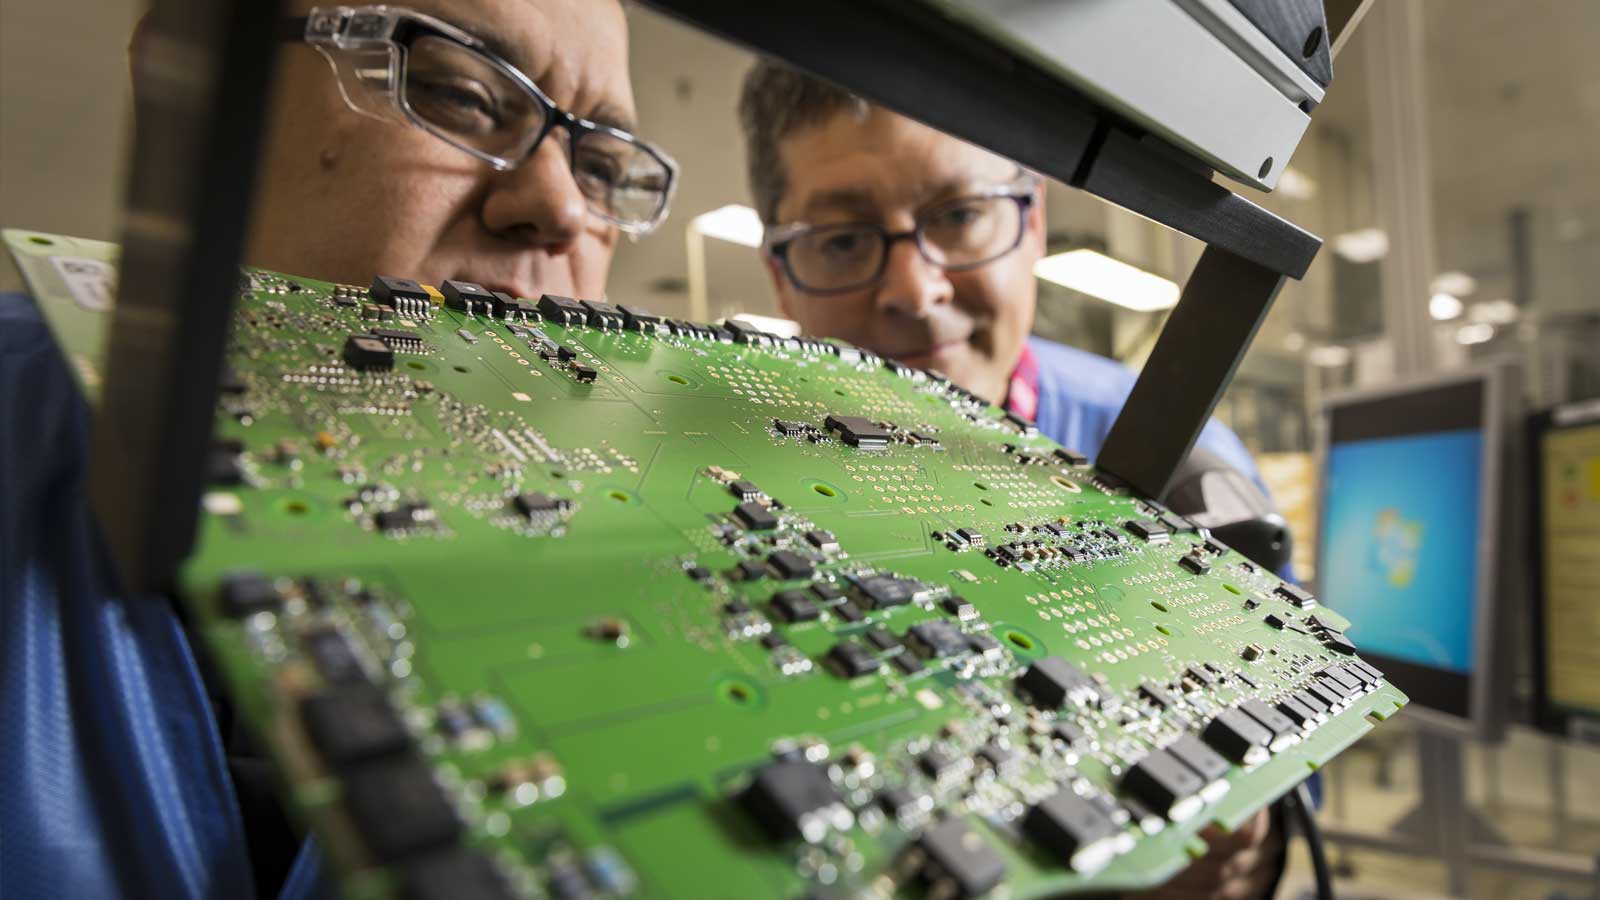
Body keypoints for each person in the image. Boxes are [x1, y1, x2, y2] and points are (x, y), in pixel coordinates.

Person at [0, 2, 673, 898]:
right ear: (191, 89)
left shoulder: (649, 569)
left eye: (600, 165)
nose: (557, 208)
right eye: (462, 93)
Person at [738, 60, 1289, 900]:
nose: (915, 292)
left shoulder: (1186, 458)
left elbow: (1298, 736)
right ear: (781, 273)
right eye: (843, 240)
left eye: (957, 216)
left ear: (1033, 223)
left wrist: (1252, 852)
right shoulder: (716, 474)